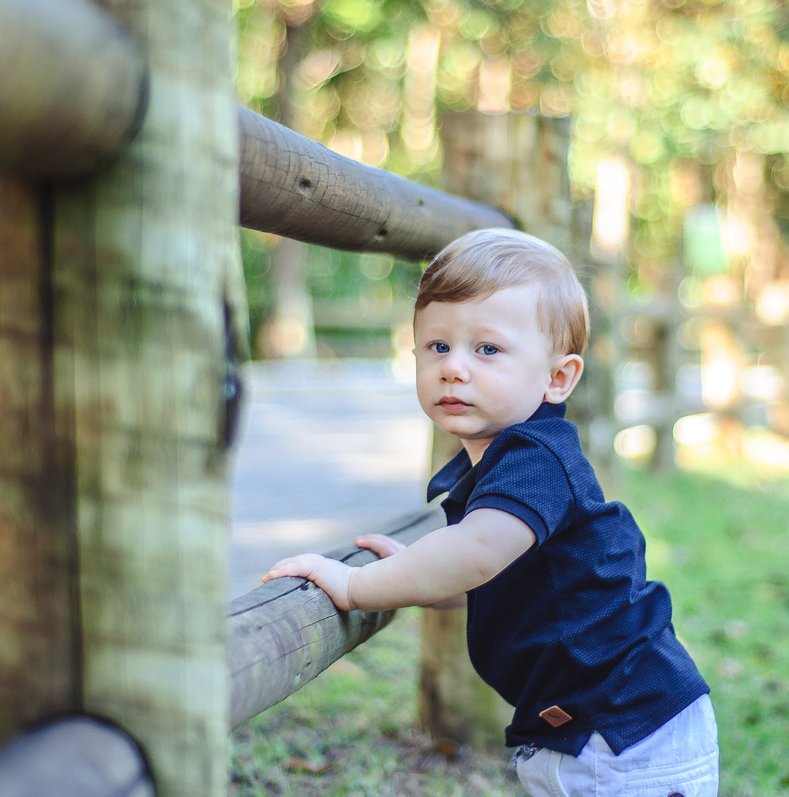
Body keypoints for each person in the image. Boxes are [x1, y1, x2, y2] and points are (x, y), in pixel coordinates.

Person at [263, 228, 718, 796]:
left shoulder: (535, 460)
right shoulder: (500, 462)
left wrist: (356, 586)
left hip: (623, 732)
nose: (454, 367)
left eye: (487, 349)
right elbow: (498, 573)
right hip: (593, 728)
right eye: (437, 346)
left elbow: (476, 553)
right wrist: (418, 574)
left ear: (557, 378)